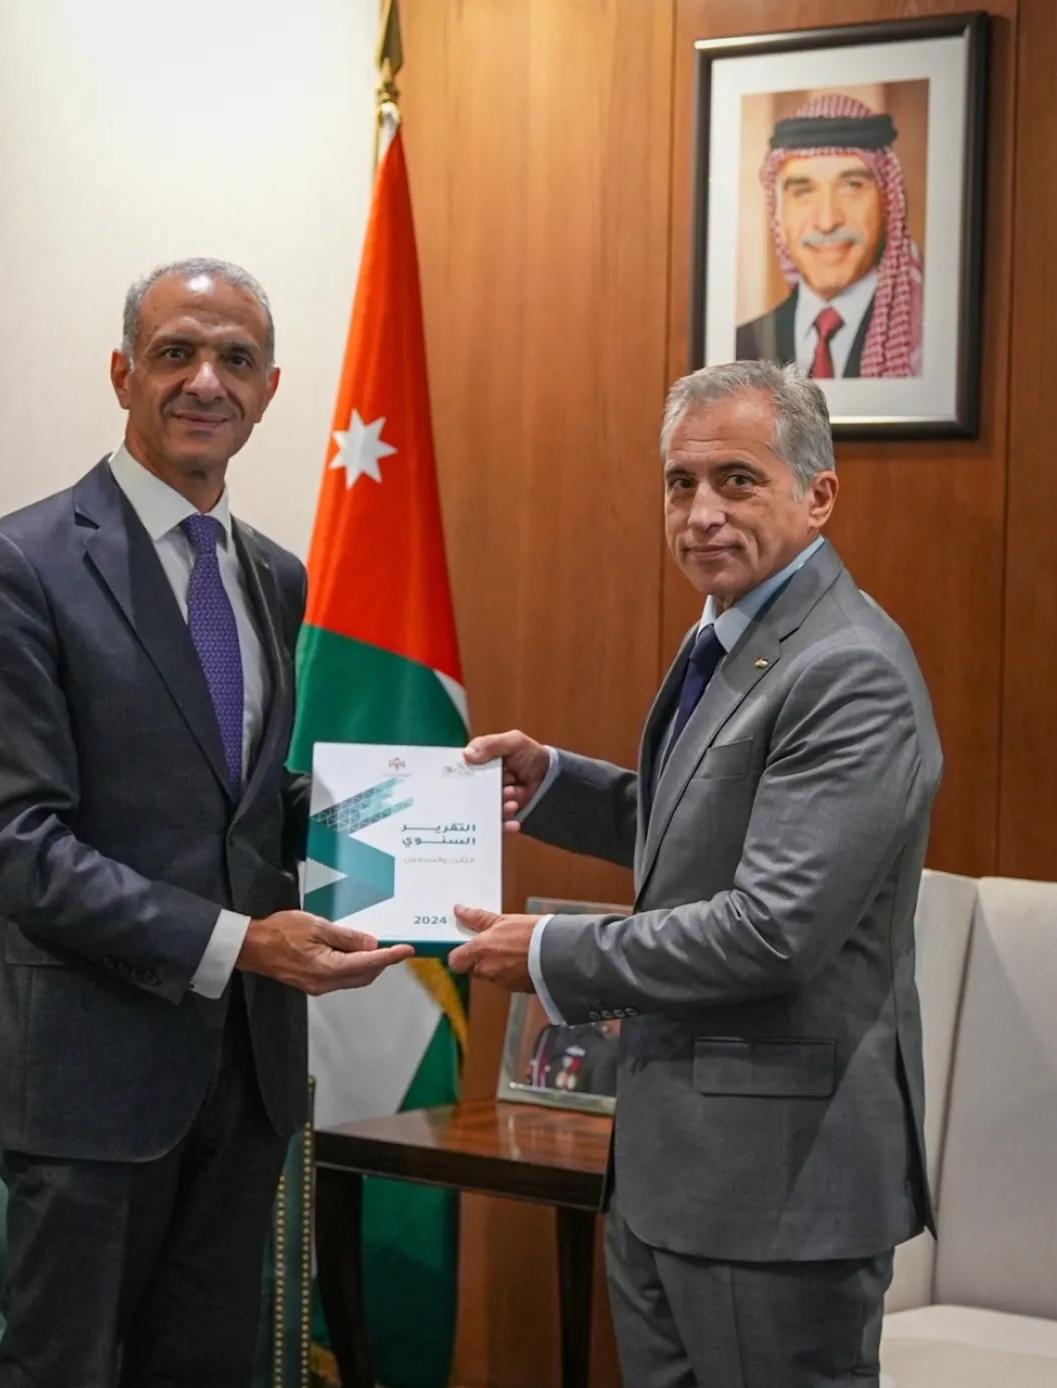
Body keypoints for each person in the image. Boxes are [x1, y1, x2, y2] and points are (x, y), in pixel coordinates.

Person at [0, 258, 413, 1388]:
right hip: (85, 1077)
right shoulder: (16, 564)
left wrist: (412, 813)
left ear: (269, 389)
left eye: (236, 360)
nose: (206, 381)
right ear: (123, 374)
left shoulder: (273, 575)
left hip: (244, 1076)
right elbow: (9, 842)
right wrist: (242, 942)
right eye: (176, 353)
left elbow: (241, 805)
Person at [452, 359, 942, 1388]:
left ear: (817, 495)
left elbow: (771, 928)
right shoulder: (734, 631)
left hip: (776, 1187)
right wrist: (557, 784)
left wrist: (551, 952)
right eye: (680, 482)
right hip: (673, 1173)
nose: (701, 512)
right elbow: (704, 825)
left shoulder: (845, 666)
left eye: (736, 480)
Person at [735, 93, 923, 379]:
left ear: (888, 203)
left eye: (852, 186)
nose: (826, 221)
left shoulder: (923, 342)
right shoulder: (741, 348)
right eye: (803, 192)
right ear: (779, 216)